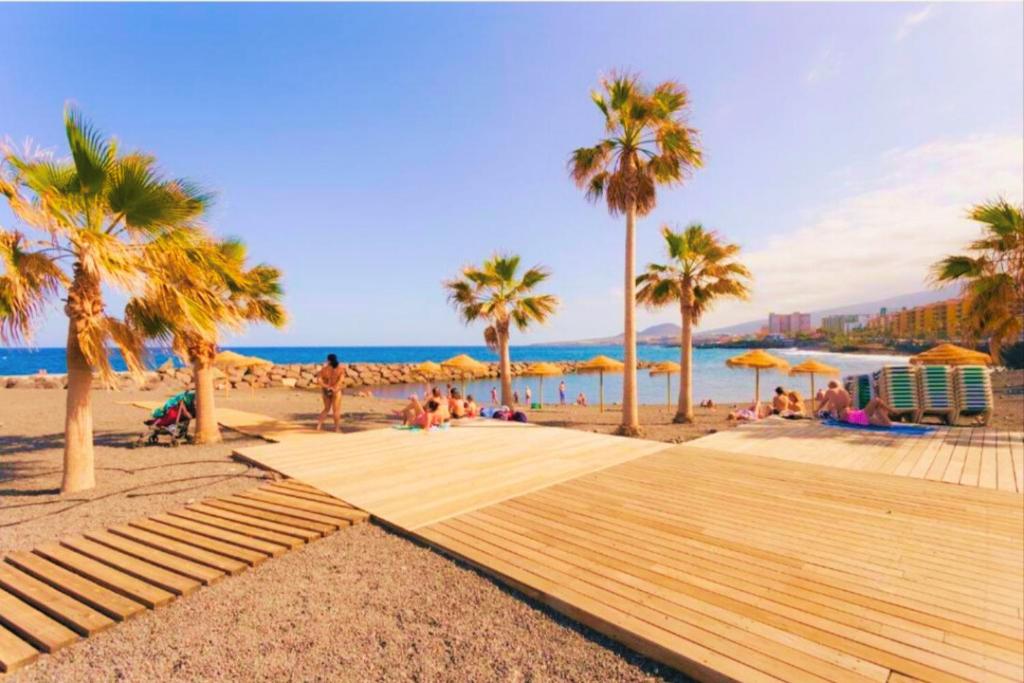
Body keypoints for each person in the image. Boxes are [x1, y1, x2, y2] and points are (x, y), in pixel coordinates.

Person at [316, 353, 345, 432]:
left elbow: (319, 380)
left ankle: (319, 426)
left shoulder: (324, 369)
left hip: (326, 390)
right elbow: (341, 380)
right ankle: (337, 428)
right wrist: (334, 387)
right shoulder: (340, 369)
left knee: (326, 409)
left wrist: (327, 387)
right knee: (336, 410)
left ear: (328, 360)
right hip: (336, 390)